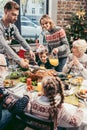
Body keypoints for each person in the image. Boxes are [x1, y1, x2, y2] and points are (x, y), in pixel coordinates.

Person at [0, 1, 34, 68]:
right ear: (6, 11)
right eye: (13, 15)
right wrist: (20, 61)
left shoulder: (13, 27)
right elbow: (5, 46)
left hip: (6, 58)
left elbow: (21, 39)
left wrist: (29, 50)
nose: (16, 18)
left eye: (17, 15)